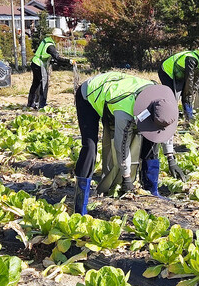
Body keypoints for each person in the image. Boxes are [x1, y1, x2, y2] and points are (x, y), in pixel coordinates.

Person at [72, 71, 186, 214]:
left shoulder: (163, 101)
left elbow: (165, 128)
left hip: (121, 88)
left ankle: (151, 191)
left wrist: (171, 158)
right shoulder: (124, 111)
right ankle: (80, 205)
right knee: (89, 147)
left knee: (152, 138)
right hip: (90, 93)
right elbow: (122, 146)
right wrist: (127, 178)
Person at [158, 48, 199, 123]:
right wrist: (189, 95)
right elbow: (189, 79)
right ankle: (166, 117)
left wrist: (193, 93)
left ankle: (188, 117)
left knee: (187, 94)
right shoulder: (191, 59)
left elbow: (196, 81)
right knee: (172, 96)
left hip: (179, 73)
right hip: (167, 71)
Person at [27, 31, 72, 109]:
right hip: (39, 64)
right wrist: (69, 61)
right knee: (44, 84)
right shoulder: (50, 46)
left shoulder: (47, 40)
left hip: (35, 63)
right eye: (59, 38)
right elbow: (57, 58)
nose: (60, 39)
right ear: (54, 37)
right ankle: (42, 105)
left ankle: (31, 103)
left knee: (36, 84)